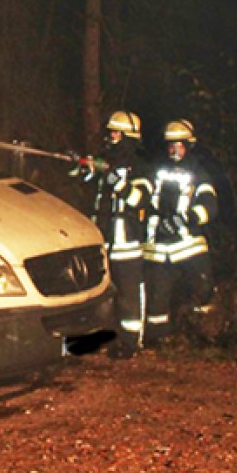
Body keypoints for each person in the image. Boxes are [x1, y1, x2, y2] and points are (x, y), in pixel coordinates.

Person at [71, 110, 152, 358]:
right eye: (110, 132)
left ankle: (131, 342)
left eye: (117, 132)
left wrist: (116, 180)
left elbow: (140, 199)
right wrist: (81, 165)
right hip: (101, 238)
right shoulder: (104, 159)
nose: (112, 136)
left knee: (128, 294)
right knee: (97, 292)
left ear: (128, 137)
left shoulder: (140, 167)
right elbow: (84, 182)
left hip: (127, 240)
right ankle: (96, 338)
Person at [143, 119, 218, 345]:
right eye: (170, 145)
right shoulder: (156, 171)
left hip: (189, 245)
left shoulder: (199, 173)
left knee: (203, 288)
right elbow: (146, 201)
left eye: (179, 145)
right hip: (158, 248)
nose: (174, 150)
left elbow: (209, 206)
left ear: (189, 145)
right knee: (157, 296)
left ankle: (204, 335)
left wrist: (184, 220)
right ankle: (158, 341)